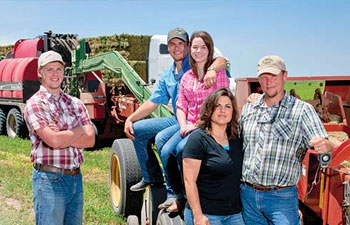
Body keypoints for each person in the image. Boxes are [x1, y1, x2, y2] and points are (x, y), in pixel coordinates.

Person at [124, 27, 228, 200]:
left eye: (181, 44)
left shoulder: (196, 61)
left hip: (196, 120)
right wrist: (131, 118)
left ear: (188, 46)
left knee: (165, 141)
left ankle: (180, 190)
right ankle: (152, 177)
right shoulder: (168, 75)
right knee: (137, 129)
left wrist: (212, 70)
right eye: (172, 44)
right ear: (168, 48)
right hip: (178, 118)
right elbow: (153, 101)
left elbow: (222, 61)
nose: (177, 48)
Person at [239, 55, 337, 225]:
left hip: (281, 198)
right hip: (248, 195)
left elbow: (326, 146)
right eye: (264, 77)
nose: (269, 82)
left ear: (285, 76)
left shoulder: (301, 110)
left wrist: (324, 145)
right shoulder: (249, 109)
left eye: (274, 76)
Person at [158, 31, 230, 212]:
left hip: (207, 126)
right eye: (195, 47)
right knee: (166, 150)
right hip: (188, 125)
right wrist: (183, 126)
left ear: (209, 49)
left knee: (182, 149)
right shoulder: (187, 77)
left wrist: (196, 125)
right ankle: (179, 194)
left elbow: (222, 104)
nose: (199, 51)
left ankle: (192, 195)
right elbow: (181, 105)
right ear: (190, 50)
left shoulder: (218, 74)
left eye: (203, 47)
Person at [24, 51, 95, 225]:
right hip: (49, 180)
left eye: (59, 69)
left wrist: (62, 131)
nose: (55, 74)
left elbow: (91, 139)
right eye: (49, 70)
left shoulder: (75, 103)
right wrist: (79, 130)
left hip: (75, 179)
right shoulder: (35, 103)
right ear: (40, 73)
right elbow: (53, 141)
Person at [182, 88, 244, 225]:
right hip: (208, 215)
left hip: (234, 214)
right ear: (209, 109)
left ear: (233, 111)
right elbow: (189, 181)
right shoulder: (198, 140)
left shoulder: (236, 140)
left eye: (228, 106)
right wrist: (198, 215)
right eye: (218, 106)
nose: (223, 110)